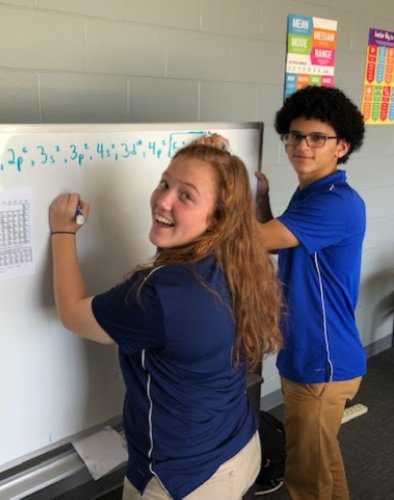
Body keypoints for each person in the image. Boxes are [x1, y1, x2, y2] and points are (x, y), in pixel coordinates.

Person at [49, 141, 283, 500]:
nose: (163, 200)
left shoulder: (159, 295)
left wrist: (62, 232)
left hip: (184, 479)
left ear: (219, 217)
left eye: (186, 196)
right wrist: (210, 166)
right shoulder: (238, 260)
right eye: (164, 183)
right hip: (237, 444)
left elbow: (71, 312)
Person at [255, 85, 366, 500]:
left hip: (322, 361)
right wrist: (263, 204)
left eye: (317, 138)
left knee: (305, 478)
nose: (303, 145)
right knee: (321, 461)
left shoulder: (335, 203)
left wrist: (221, 183)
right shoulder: (312, 193)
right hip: (313, 354)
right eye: (296, 135)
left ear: (342, 147)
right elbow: (276, 240)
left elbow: (252, 241)